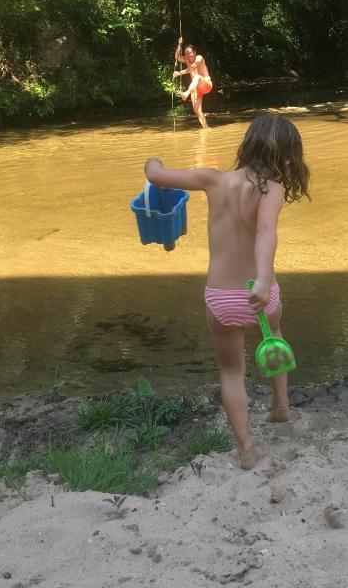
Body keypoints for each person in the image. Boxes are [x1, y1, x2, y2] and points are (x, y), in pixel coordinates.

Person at [144, 114, 310, 470]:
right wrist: (262, 279)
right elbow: (265, 232)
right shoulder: (272, 190)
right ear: (286, 157)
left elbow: (156, 175)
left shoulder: (212, 179)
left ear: (247, 146)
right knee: (274, 336)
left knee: (232, 372)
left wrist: (153, 162)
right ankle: (281, 406)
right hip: (261, 294)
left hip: (222, 298)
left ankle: (246, 447)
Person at [173, 37, 212, 129]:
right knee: (197, 110)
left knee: (197, 76)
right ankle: (207, 129)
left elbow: (192, 68)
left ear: (194, 52)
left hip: (206, 84)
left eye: (190, 53)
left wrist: (179, 73)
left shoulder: (199, 58)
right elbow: (177, 57)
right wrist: (179, 45)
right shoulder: (186, 59)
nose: (188, 55)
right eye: (186, 53)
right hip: (195, 88)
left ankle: (186, 93)